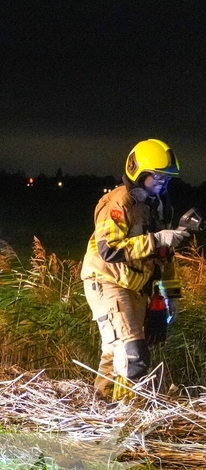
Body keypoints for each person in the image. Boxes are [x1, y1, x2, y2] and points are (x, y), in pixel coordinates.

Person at [80, 139, 188, 399]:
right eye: (157, 177)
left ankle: (101, 404)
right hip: (107, 281)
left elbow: (163, 255)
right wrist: (158, 238)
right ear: (137, 173)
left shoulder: (159, 205)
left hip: (135, 286)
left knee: (114, 349)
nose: (163, 183)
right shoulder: (117, 204)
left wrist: (171, 295)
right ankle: (125, 420)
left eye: (167, 179)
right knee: (132, 355)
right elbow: (110, 249)